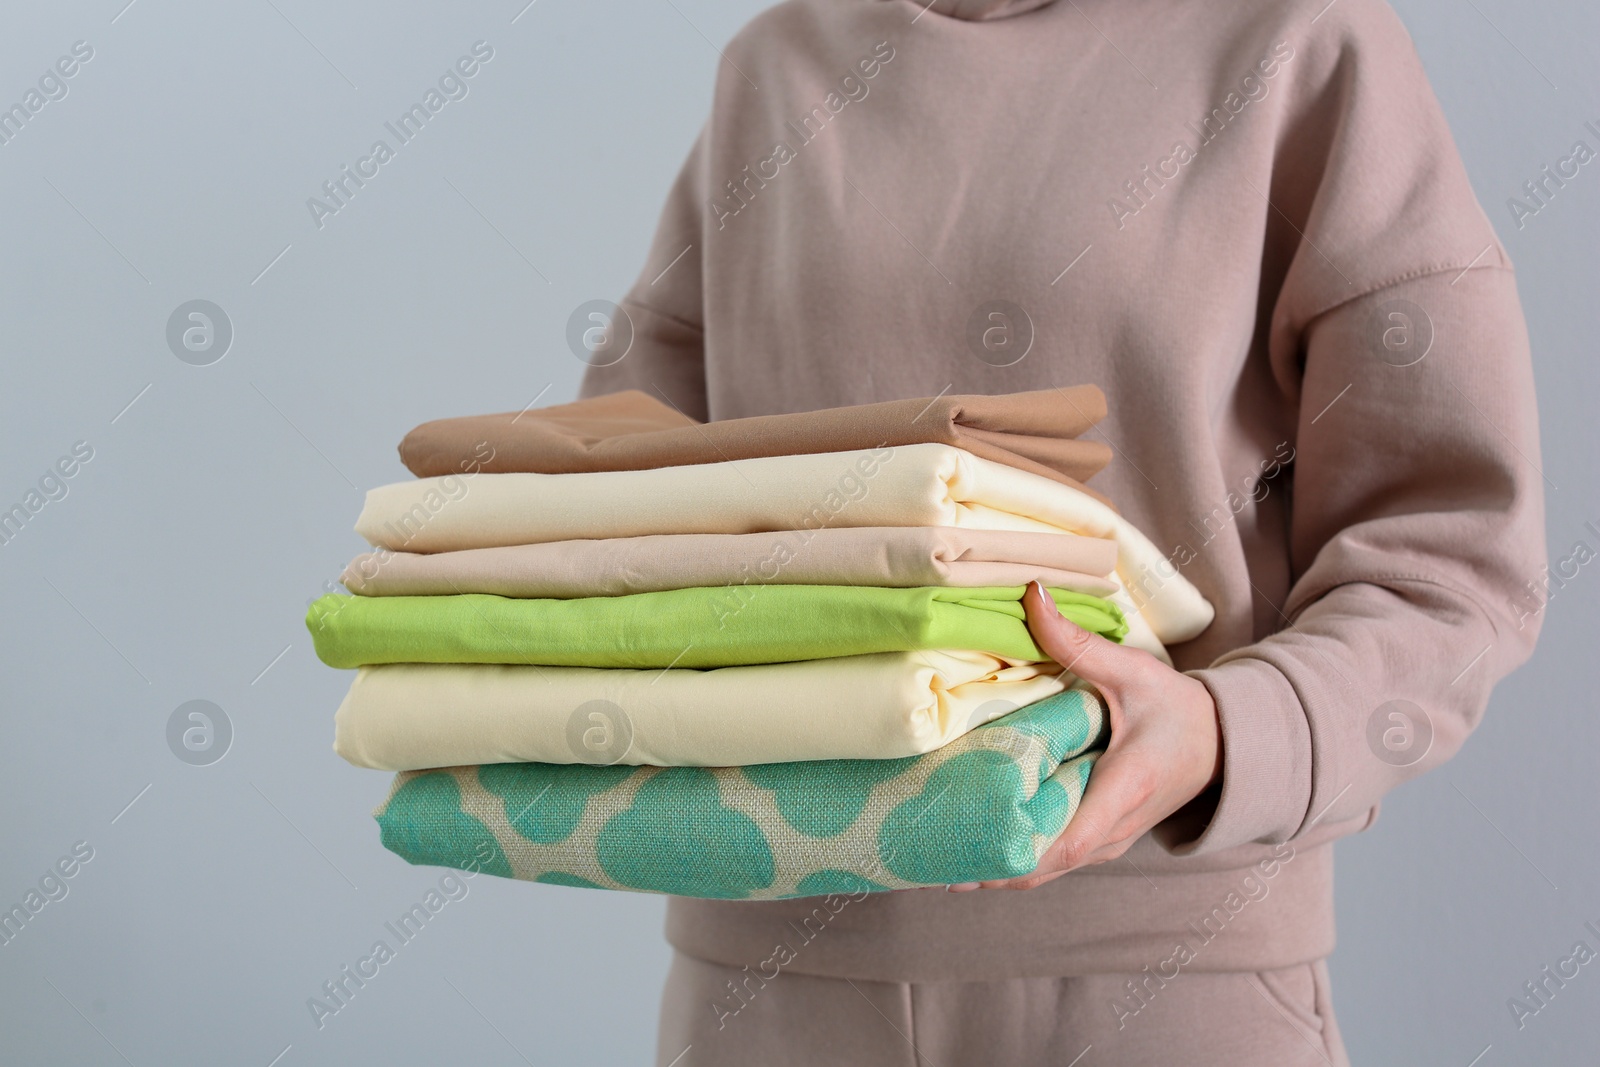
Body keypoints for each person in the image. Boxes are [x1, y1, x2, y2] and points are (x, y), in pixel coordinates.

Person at [580, 0, 1546, 1062]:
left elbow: (1451, 547)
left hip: (1168, 978)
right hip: (764, 983)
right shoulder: (775, 62)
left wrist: (1229, 731)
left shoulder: (1299, 39)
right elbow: (629, 500)